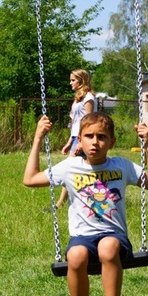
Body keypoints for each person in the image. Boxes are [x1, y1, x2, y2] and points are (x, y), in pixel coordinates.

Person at [24, 112, 148, 296]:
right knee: (74, 256)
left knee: (108, 248)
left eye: (102, 137)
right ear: (80, 139)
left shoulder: (120, 166)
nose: (95, 142)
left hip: (114, 236)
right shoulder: (69, 167)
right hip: (82, 237)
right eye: (89, 136)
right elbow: (30, 179)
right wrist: (37, 138)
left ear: (111, 141)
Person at [56, 69, 97, 209]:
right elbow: (75, 122)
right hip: (76, 137)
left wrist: (81, 142)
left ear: (81, 80)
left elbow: (88, 121)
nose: (70, 83)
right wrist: (70, 141)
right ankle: (86, 199)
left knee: (70, 168)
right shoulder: (78, 98)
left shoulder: (89, 98)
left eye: (73, 80)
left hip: (84, 138)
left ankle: (61, 203)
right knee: (83, 169)